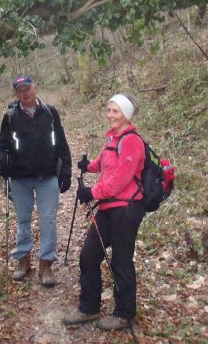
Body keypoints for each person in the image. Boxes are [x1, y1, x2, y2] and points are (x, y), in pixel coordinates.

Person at [62, 93, 145, 331]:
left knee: (121, 260)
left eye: (115, 111)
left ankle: (124, 314)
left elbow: (120, 179)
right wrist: (88, 166)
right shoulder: (112, 139)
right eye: (109, 110)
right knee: (89, 255)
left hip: (127, 209)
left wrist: (92, 193)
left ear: (126, 115)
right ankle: (89, 308)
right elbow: (104, 162)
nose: (110, 115)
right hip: (109, 208)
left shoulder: (132, 141)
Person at [0, 75, 72, 287]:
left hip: (48, 175)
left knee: (48, 219)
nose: (24, 93)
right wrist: (5, 169)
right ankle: (23, 260)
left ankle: (46, 264)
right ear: (15, 94)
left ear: (35, 88)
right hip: (20, 178)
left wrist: (65, 171)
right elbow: (2, 147)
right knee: (23, 220)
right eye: (20, 90)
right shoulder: (10, 116)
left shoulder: (50, 112)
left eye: (27, 89)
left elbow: (62, 142)